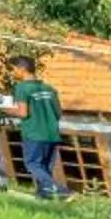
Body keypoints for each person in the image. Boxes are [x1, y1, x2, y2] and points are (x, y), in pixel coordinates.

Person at [7, 54, 67, 199]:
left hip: (34, 134)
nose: (12, 73)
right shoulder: (49, 88)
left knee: (32, 164)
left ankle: (60, 190)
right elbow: (58, 113)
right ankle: (42, 197)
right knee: (45, 168)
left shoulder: (22, 88)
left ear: (22, 69)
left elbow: (23, 113)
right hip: (52, 135)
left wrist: (4, 110)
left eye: (13, 69)